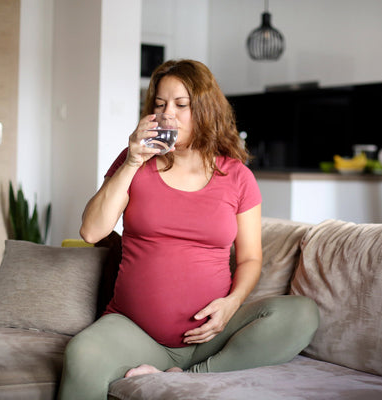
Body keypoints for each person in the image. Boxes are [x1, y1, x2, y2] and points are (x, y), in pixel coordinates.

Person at [58, 59, 319, 400]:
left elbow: (251, 258)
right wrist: (132, 162)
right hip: (136, 330)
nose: (169, 114)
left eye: (182, 105)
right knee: (81, 354)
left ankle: (189, 376)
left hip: (212, 338)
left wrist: (231, 304)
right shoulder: (134, 161)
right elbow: (91, 232)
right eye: (160, 104)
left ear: (206, 109)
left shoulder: (238, 176)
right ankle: (173, 371)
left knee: (302, 314)